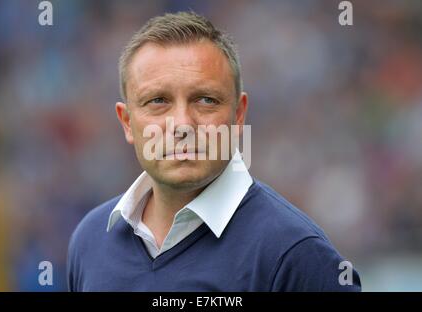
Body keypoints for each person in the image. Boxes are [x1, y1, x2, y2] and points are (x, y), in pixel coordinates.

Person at [67, 11, 361, 291]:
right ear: (128, 122)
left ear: (238, 115)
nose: (182, 124)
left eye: (205, 100)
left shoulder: (295, 255)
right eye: (158, 100)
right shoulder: (91, 241)